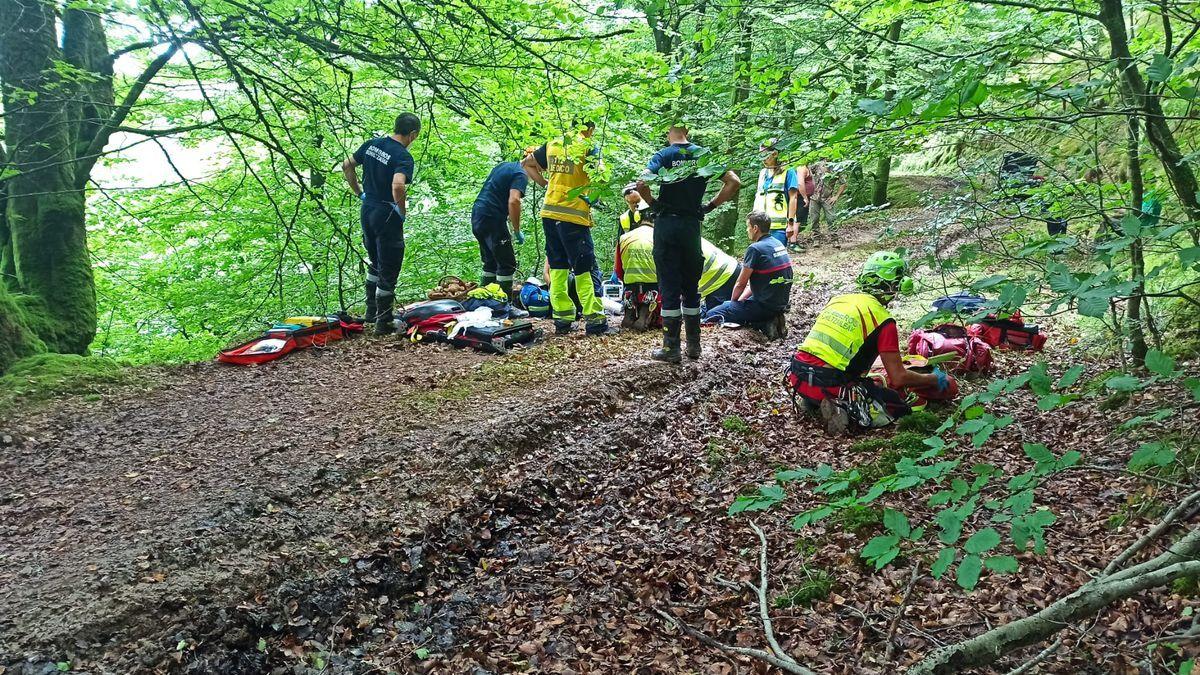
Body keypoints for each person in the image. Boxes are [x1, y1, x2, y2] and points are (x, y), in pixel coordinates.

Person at [786, 251, 956, 435]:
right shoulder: (883, 320)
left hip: (797, 376)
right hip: (829, 384)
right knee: (895, 404)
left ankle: (813, 401)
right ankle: (841, 407)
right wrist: (934, 379)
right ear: (896, 285)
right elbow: (898, 377)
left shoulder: (838, 300)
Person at [636, 124, 742, 362]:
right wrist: (710, 205)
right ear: (687, 132)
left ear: (668, 133)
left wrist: (654, 204)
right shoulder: (702, 155)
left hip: (666, 226)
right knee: (691, 288)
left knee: (669, 287)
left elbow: (641, 184)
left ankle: (671, 348)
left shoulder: (664, 156)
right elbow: (733, 181)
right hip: (691, 226)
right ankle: (694, 346)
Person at [522, 121, 610, 336]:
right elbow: (602, 177)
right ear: (590, 128)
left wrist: (546, 184)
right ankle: (594, 319)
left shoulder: (554, 143)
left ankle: (562, 319)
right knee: (584, 267)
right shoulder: (587, 146)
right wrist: (592, 198)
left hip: (550, 213)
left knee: (558, 266)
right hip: (573, 215)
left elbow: (526, 163)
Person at [342, 112, 420, 334]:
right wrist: (401, 211)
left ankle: (371, 311)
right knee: (390, 263)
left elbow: (346, 165)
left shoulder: (372, 145)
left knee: (375, 260)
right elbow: (398, 185)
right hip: (386, 213)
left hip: (367, 210)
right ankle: (383, 321)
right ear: (412, 134)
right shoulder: (403, 156)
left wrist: (359, 192)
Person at [614, 220, 740, 331]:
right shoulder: (666, 237)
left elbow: (674, 272)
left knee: (713, 317)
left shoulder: (630, 238)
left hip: (722, 274)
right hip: (723, 271)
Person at [703, 211, 792, 331]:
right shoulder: (777, 243)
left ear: (755, 228)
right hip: (779, 303)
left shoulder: (755, 249)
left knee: (711, 314)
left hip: (764, 306)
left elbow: (741, 283)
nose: (747, 230)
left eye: (747, 227)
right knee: (733, 305)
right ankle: (770, 319)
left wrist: (732, 304)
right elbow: (760, 282)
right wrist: (740, 301)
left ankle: (763, 323)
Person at [471, 159, 529, 301]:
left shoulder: (505, 166)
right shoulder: (520, 174)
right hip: (493, 217)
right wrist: (516, 230)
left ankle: (485, 302)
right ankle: (504, 305)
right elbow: (514, 201)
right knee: (506, 263)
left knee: (490, 262)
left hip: (478, 214)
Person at [753, 140, 799, 246]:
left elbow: (793, 198)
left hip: (778, 227)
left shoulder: (788, 171)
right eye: (760, 155)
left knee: (776, 258)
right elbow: (759, 197)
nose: (762, 159)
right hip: (760, 226)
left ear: (775, 154)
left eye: (765, 155)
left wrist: (791, 224)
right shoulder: (763, 173)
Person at [809, 159, 847, 233]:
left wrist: (836, 196)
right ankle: (816, 238)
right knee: (814, 219)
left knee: (831, 219)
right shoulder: (816, 164)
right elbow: (806, 173)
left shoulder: (837, 167)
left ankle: (834, 238)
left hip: (828, 198)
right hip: (814, 197)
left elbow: (843, 183)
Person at [789, 163, 816, 250]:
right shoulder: (801, 167)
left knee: (800, 220)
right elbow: (800, 183)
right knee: (797, 220)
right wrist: (805, 198)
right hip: (800, 197)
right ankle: (793, 243)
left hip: (801, 197)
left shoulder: (804, 167)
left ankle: (793, 241)